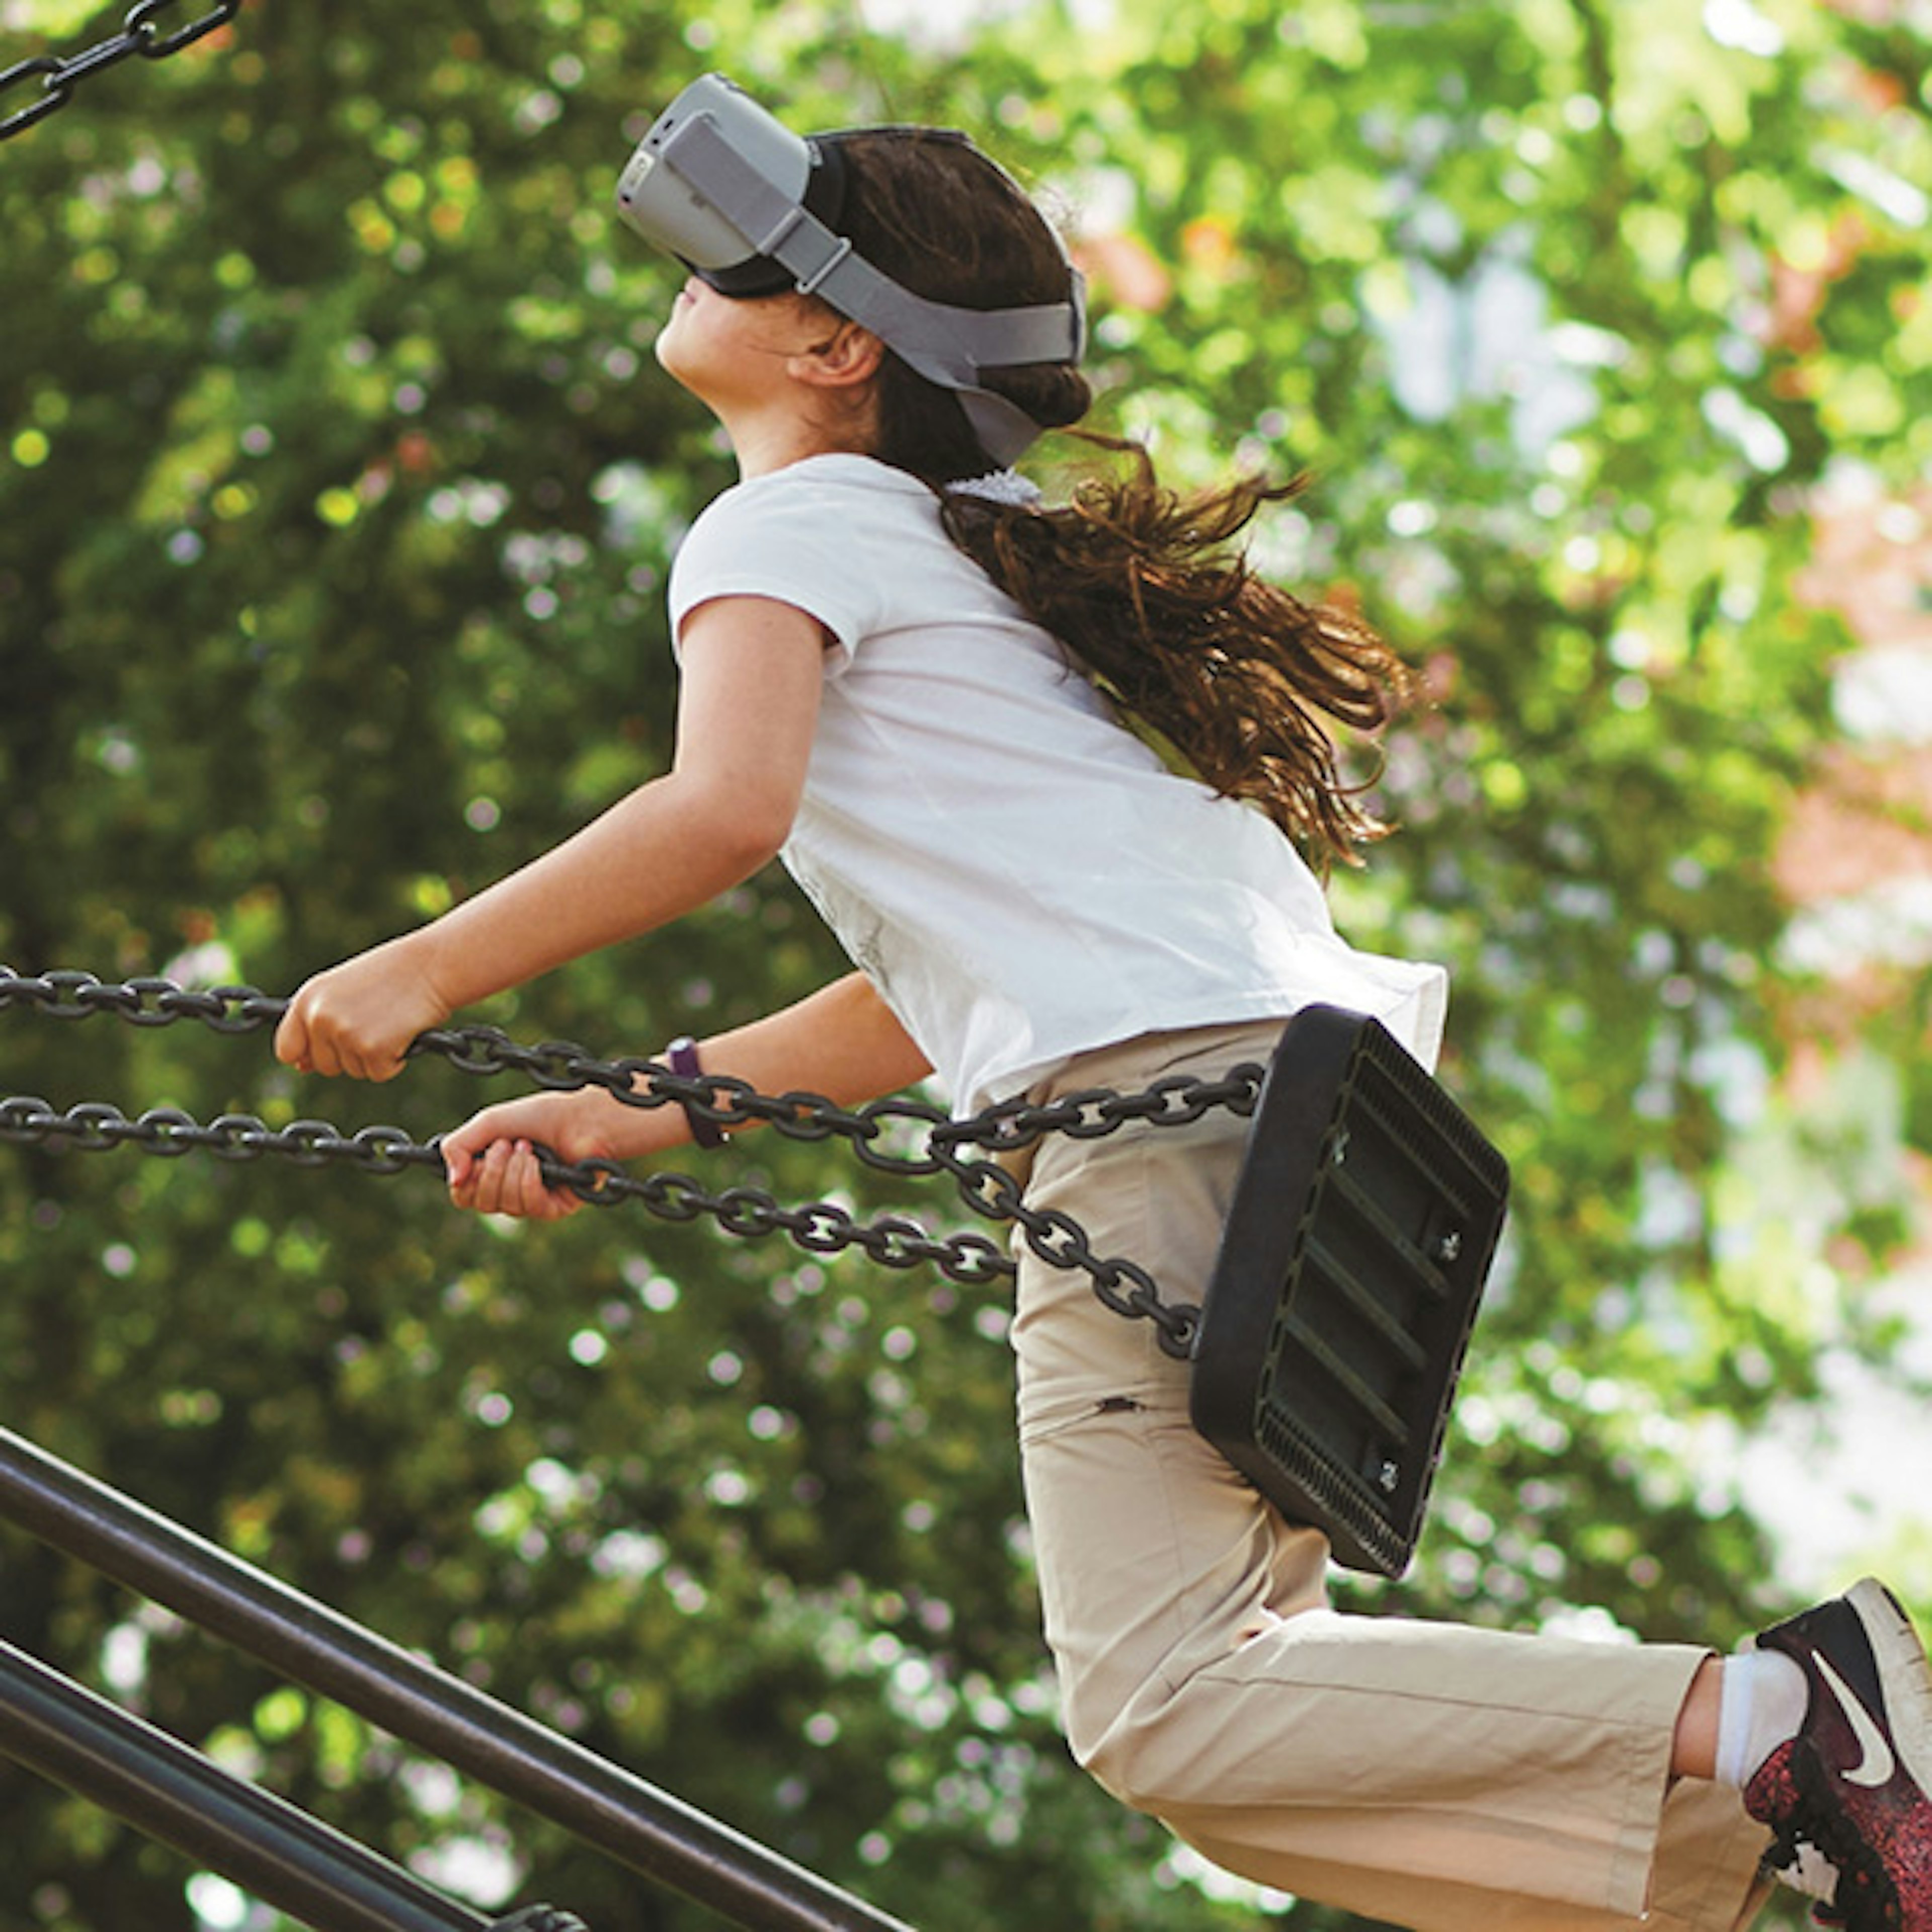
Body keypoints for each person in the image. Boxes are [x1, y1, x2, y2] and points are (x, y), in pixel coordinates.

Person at [272, 76, 1932, 1932]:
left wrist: (423, 970)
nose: (681, 276)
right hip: (1287, 1100)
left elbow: (717, 812)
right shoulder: (955, 547)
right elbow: (925, 994)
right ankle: (1814, 1844)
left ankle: (1788, 1727)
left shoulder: (786, 526)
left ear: (829, 345)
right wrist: (633, 1108)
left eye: (734, 260)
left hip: (1166, 1106)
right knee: (1241, 1758)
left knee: (1168, 1706)